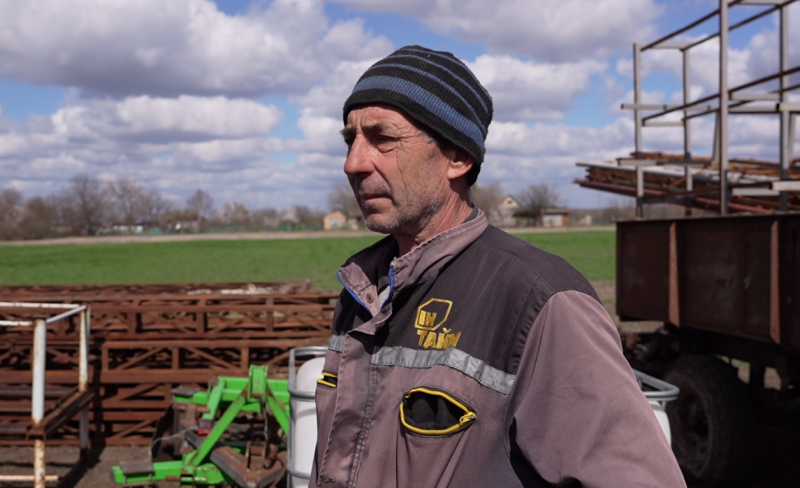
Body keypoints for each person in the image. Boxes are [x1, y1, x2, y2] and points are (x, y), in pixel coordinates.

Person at [310, 45, 685, 488]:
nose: (353, 163)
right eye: (350, 140)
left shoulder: (541, 302)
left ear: (457, 158)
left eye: (383, 139)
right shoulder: (362, 291)